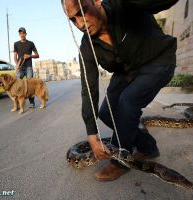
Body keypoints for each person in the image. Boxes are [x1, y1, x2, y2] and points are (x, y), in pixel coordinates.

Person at [62, 0, 178, 181]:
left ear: (97, 1)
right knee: (106, 113)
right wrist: (91, 135)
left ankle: (120, 162)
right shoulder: (87, 47)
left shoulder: (124, 6)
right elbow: (89, 89)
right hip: (127, 71)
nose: (80, 24)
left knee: (128, 101)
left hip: (158, 60)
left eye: (82, 12)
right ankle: (148, 147)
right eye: (72, 20)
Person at [14, 27, 40, 109]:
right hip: (20, 68)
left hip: (28, 67)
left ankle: (32, 103)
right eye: (20, 33)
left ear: (26, 34)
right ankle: (17, 103)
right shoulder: (16, 44)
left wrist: (30, 55)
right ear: (19, 34)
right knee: (17, 85)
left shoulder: (31, 43)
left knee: (30, 85)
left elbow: (37, 55)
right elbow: (15, 56)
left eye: (23, 33)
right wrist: (17, 64)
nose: (22, 35)